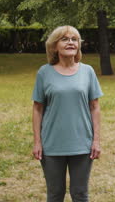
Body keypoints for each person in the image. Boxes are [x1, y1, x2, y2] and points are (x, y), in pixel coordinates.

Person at [32, 25, 103, 202]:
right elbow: (37, 108)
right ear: (54, 46)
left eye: (74, 39)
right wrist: (37, 142)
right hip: (52, 144)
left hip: (82, 143)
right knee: (55, 194)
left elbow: (95, 107)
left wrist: (96, 140)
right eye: (65, 39)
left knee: (80, 194)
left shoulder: (88, 71)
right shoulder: (44, 73)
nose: (70, 42)